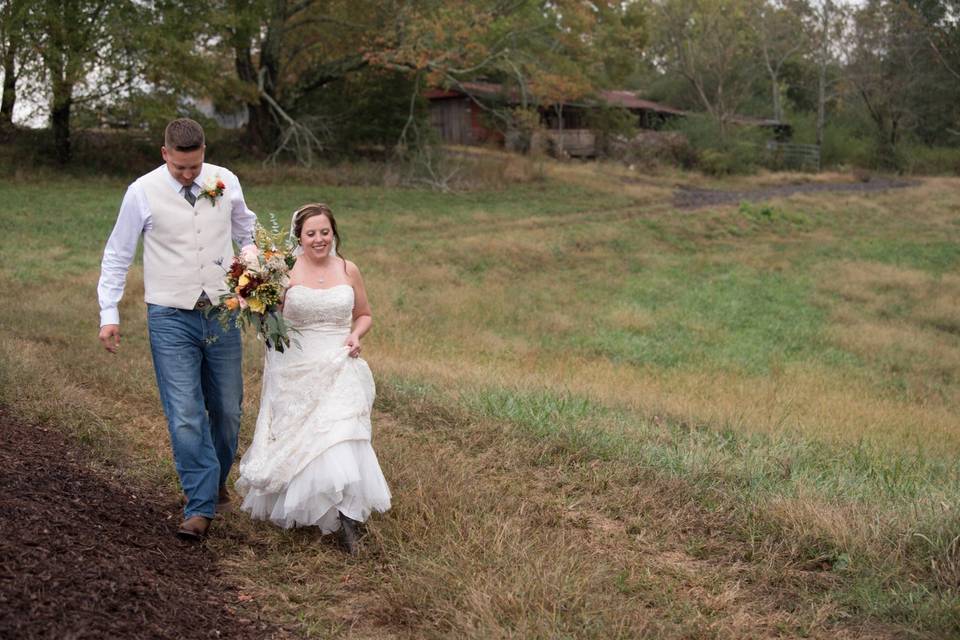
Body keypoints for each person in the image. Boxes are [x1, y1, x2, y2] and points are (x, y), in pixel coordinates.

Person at [97, 118, 257, 541]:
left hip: (222, 311)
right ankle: (200, 506)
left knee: (227, 410)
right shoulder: (141, 192)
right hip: (169, 315)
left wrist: (255, 270)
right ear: (165, 153)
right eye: (180, 168)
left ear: (204, 151)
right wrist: (108, 312)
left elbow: (246, 233)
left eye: (195, 166)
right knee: (185, 414)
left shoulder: (225, 181)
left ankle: (214, 481)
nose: (189, 175)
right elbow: (117, 253)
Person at [236, 203, 391, 554]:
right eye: (311, 233)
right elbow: (267, 316)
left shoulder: (349, 269)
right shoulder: (282, 271)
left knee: (343, 431)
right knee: (305, 436)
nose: (319, 239)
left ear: (333, 233)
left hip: (339, 358)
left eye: (325, 232)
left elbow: (364, 314)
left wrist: (356, 335)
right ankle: (312, 504)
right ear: (299, 237)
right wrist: (254, 305)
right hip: (297, 362)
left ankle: (349, 518)